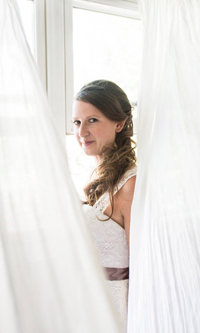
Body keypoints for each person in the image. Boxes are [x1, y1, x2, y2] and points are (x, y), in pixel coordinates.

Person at [72, 80, 137, 328]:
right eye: (77, 122)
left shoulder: (130, 184)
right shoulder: (96, 176)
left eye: (93, 120)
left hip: (113, 306)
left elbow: (142, 263)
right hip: (88, 298)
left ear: (119, 123)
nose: (82, 132)